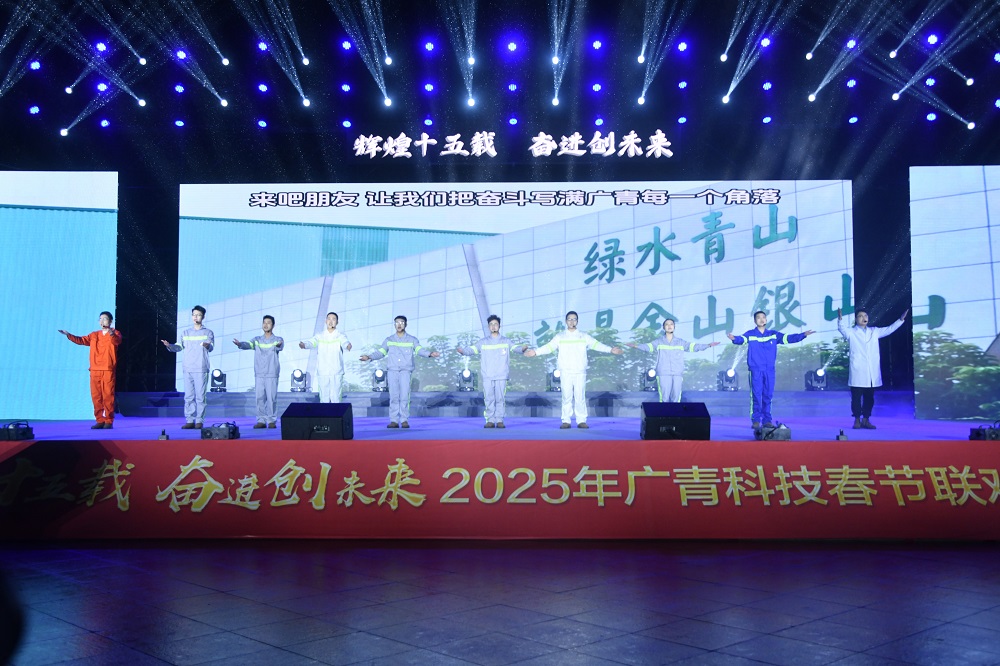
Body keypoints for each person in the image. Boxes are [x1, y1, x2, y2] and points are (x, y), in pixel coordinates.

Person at [524, 311, 623, 429]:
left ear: (577, 321)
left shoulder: (583, 336)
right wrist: (535, 352)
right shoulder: (560, 336)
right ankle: (566, 420)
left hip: (580, 371)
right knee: (566, 397)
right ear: (566, 321)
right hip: (565, 371)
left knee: (580, 397)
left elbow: (596, 344)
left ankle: (581, 420)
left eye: (574, 319)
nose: (572, 321)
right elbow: (549, 347)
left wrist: (610, 350)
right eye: (569, 319)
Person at [727, 311, 815, 430]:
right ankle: (756, 420)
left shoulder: (773, 334)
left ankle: (767, 420)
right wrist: (734, 338)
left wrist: (803, 335)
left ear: (766, 320)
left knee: (768, 396)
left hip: (769, 370)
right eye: (758, 318)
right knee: (756, 395)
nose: (761, 319)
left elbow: (788, 338)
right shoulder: (751, 334)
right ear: (755, 321)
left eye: (763, 317)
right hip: (756, 370)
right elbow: (741, 339)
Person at [360, 316, 440, 428]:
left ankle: (404, 420)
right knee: (393, 396)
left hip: (405, 371)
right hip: (392, 371)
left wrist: (429, 354)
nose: (399, 324)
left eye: (402, 322)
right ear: (394, 325)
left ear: (405, 324)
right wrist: (369, 357)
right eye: (397, 322)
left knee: (404, 396)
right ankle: (394, 420)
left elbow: (419, 350)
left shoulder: (412, 339)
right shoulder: (389, 340)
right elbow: (381, 352)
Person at [837, 307, 908, 430]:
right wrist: (840, 319)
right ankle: (857, 419)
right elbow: (841, 329)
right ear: (856, 319)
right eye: (860, 316)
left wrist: (900, 320)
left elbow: (889, 329)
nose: (863, 318)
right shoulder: (851, 332)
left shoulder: (874, 331)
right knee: (856, 398)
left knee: (869, 398)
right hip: (858, 370)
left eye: (865, 316)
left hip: (871, 371)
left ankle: (866, 419)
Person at [456, 315, 528, 429]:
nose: (493, 326)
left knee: (500, 398)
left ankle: (499, 420)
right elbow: (472, 350)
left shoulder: (505, 341)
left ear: (499, 326)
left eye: (495, 324)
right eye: (491, 324)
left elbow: (515, 348)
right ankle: (490, 420)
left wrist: (522, 349)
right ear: (488, 327)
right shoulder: (483, 342)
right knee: (489, 398)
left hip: (501, 375)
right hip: (488, 375)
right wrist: (463, 351)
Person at [628, 318, 720, 402]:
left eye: (671, 324)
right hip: (663, 373)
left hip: (677, 373)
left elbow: (694, 346)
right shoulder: (659, 342)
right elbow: (648, 347)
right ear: (664, 327)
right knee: (664, 398)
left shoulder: (680, 342)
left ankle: (675, 415)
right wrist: (636, 346)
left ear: (674, 327)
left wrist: (708, 345)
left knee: (676, 398)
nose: (669, 326)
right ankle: (664, 414)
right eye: (667, 324)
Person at [58, 311, 122, 429]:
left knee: (108, 396)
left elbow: (117, 341)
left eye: (105, 319)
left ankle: (108, 420)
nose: (102, 321)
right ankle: (100, 420)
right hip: (95, 369)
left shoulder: (115, 333)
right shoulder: (94, 335)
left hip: (107, 369)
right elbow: (81, 340)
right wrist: (69, 335)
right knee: (96, 396)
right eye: (100, 319)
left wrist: (112, 334)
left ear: (110, 321)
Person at [161, 305, 215, 429]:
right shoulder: (185, 333)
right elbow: (179, 347)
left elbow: (211, 347)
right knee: (189, 396)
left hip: (201, 367)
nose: (196, 317)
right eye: (194, 315)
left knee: (200, 396)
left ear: (203, 317)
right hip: (187, 368)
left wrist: (207, 345)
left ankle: (199, 420)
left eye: (198, 315)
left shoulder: (208, 332)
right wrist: (169, 346)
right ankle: (190, 420)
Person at [234, 315, 284, 429]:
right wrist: (240, 344)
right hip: (259, 373)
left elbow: (280, 346)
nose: (266, 325)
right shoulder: (257, 340)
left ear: (273, 325)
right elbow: (248, 344)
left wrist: (279, 345)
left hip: (271, 373)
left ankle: (271, 420)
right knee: (260, 398)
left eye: (268, 323)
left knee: (271, 398)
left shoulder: (278, 339)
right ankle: (261, 420)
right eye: (264, 322)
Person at [298, 312, 352, 403]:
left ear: (337, 322)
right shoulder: (320, 336)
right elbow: (311, 342)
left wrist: (348, 346)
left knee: (336, 397)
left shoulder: (340, 335)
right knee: (324, 398)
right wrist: (304, 345)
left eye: (333, 319)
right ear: (326, 321)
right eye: (329, 319)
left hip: (336, 371)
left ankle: (336, 412)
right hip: (323, 371)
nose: (331, 321)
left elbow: (345, 342)